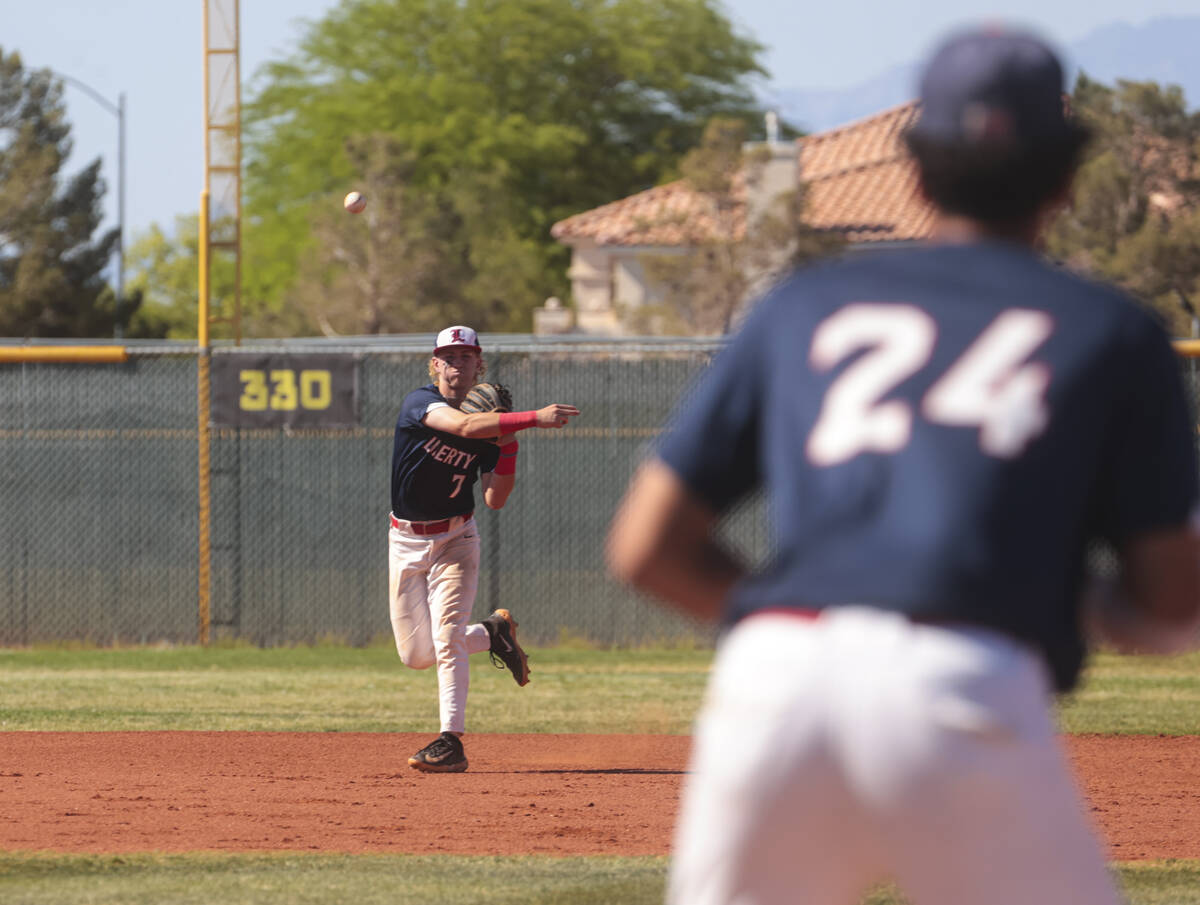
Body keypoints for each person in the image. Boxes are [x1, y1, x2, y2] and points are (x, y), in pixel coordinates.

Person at [607, 27, 1200, 905]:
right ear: (1068, 178)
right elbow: (1171, 601)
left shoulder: (801, 305)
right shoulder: (1111, 331)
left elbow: (644, 546)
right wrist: (1070, 600)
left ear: (916, 169)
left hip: (773, 681)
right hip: (963, 671)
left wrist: (798, 622)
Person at [390, 325, 580, 773]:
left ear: (480, 365)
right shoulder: (421, 404)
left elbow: (495, 498)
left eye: (466, 357)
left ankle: (450, 741)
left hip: (456, 539)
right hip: (404, 539)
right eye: (448, 357)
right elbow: (461, 425)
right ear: (435, 364)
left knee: (446, 637)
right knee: (416, 656)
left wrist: (508, 443)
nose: (457, 364)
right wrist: (532, 418)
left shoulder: (493, 428)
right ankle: (493, 633)